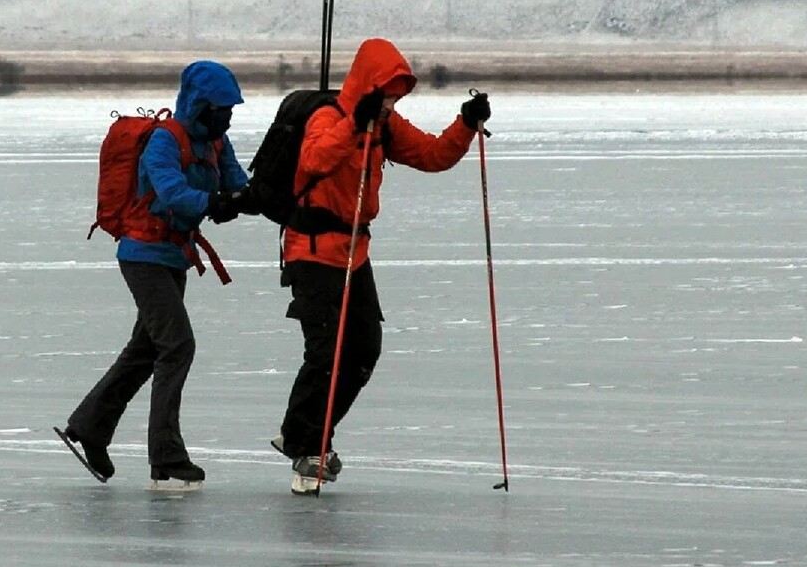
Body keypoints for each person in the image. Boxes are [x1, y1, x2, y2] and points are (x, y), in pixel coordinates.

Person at [270, 37, 492, 491]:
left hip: (354, 252)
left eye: (397, 95)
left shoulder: (385, 125)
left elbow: (432, 156)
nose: (393, 102)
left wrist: (465, 125)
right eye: (388, 93)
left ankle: (305, 434)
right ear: (369, 84)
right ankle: (307, 445)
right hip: (311, 250)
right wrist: (356, 121)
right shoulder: (328, 119)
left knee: (363, 349)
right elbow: (315, 160)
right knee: (326, 352)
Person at [61, 60, 252, 487]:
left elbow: (237, 184)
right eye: (221, 108)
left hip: (173, 257)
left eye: (231, 110)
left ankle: (90, 426)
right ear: (200, 105)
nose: (227, 116)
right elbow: (172, 192)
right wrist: (213, 203)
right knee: (177, 345)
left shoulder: (218, 143)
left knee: (145, 350)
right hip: (143, 255)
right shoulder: (165, 142)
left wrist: (255, 198)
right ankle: (166, 455)